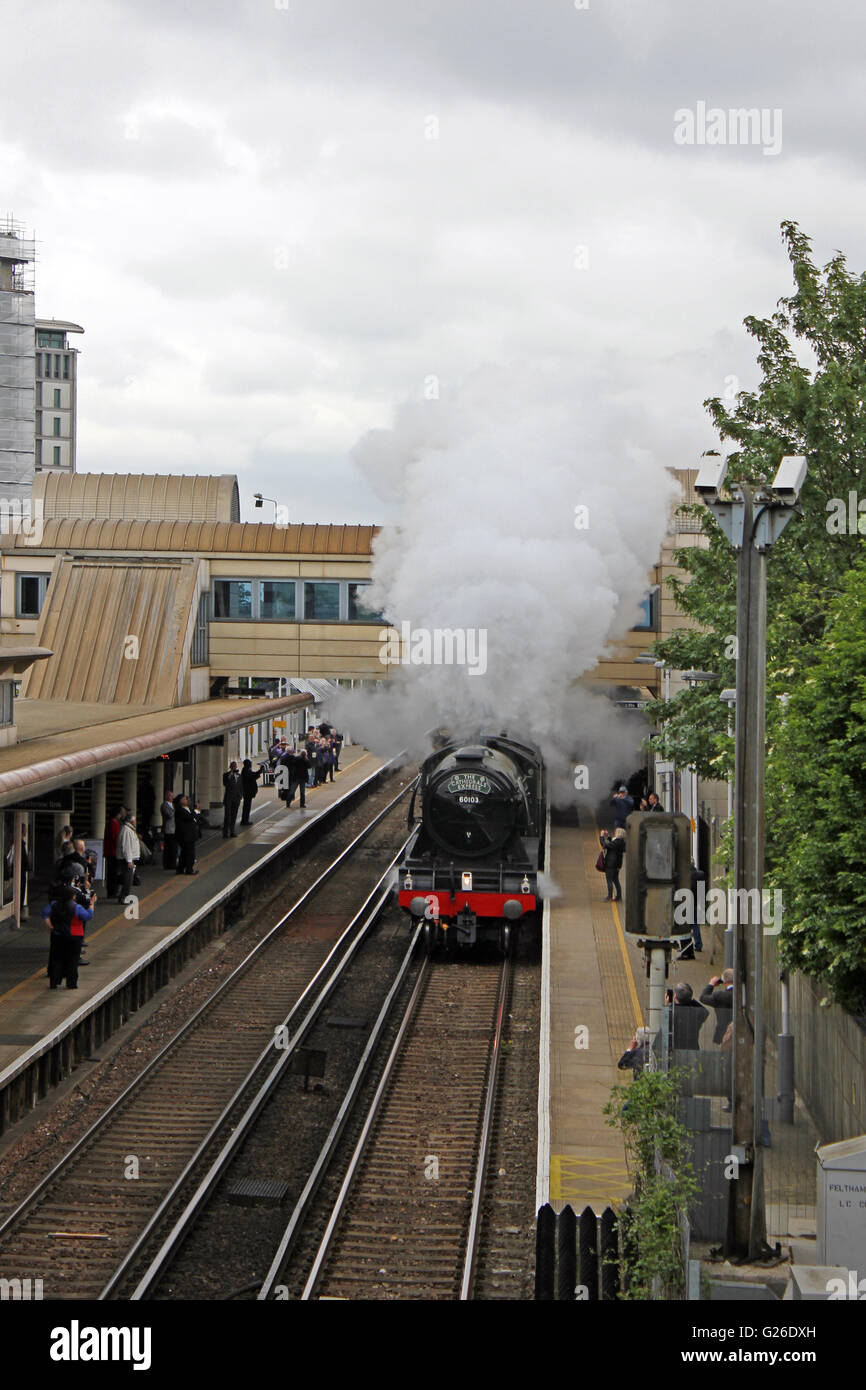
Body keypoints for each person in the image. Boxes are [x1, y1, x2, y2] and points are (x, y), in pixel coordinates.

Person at [42, 885, 94, 989]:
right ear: (73, 896)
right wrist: (91, 905)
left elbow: (44, 913)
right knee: (72, 960)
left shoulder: (54, 905)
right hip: (74, 936)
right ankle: (71, 983)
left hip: (57, 935)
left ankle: (54, 982)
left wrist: (49, 925)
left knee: (57, 959)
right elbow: (88, 916)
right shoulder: (77, 907)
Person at [669, 982, 709, 1050]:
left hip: (676, 1050)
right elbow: (705, 1012)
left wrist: (670, 1005)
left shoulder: (672, 1012)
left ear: (675, 996)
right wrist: (690, 1000)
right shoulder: (697, 1012)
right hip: (692, 1049)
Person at [700, 969, 734, 1044]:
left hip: (722, 1032)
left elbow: (703, 998)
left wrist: (711, 984)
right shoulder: (742, 994)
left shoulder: (719, 995)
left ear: (724, 981)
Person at [116, 814, 141, 904]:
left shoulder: (128, 829)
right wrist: (129, 860)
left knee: (128, 878)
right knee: (128, 879)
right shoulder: (127, 830)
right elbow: (127, 847)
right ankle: (124, 897)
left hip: (128, 858)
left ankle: (124, 896)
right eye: (135, 820)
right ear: (131, 821)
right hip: (126, 859)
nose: (136, 822)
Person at [103, 806, 126, 899]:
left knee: (111, 872)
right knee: (114, 873)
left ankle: (111, 891)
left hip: (110, 851)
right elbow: (116, 838)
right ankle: (113, 891)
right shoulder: (114, 824)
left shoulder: (110, 823)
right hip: (113, 852)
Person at [174, 795, 200, 875]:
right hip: (185, 835)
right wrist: (196, 810)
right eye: (184, 799)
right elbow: (190, 817)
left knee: (184, 853)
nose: (186, 800)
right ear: (180, 801)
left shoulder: (187, 809)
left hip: (189, 835)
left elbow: (194, 818)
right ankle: (189, 869)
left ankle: (180, 869)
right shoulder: (180, 810)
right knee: (189, 853)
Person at [599, 827, 625, 902]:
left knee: (609, 880)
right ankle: (619, 896)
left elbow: (604, 845)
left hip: (611, 864)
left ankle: (609, 896)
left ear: (618, 833)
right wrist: (608, 836)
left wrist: (601, 836)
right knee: (616, 880)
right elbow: (613, 842)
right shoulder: (622, 842)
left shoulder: (616, 843)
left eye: (616, 832)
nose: (614, 833)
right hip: (617, 865)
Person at [222, 761, 242, 838]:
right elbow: (225, 783)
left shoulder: (239, 775)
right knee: (227, 816)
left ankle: (232, 831)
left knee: (234, 816)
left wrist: (240, 796)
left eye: (235, 766)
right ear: (230, 767)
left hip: (236, 798)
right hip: (228, 798)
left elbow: (241, 786)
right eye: (233, 766)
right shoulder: (226, 775)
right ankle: (225, 832)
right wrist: (229, 776)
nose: (234, 767)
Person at [239, 758, 261, 825]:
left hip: (248, 791)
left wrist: (259, 772)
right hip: (247, 792)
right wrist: (259, 772)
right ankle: (244, 820)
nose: (251, 764)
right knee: (247, 807)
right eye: (250, 763)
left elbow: (253, 775)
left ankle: (245, 820)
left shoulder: (246, 770)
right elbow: (252, 777)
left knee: (247, 806)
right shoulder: (246, 770)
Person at [161, 790, 177, 870]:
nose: (172, 797)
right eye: (170, 796)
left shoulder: (173, 805)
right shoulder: (164, 805)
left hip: (174, 829)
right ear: (166, 796)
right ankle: (167, 864)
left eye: (172, 796)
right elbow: (169, 815)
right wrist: (175, 810)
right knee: (168, 848)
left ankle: (172, 863)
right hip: (168, 829)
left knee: (173, 848)